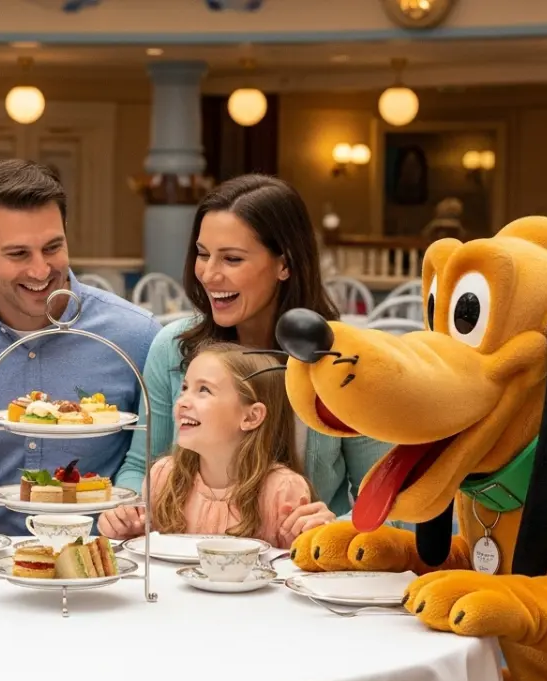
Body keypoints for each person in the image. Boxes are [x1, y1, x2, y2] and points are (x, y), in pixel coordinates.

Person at [114, 174, 390, 523]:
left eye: (232, 259)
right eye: (202, 254)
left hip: (305, 570)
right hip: (189, 567)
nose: (209, 275)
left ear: (285, 264)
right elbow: (141, 466)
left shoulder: (343, 360)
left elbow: (386, 496)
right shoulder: (173, 347)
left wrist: (333, 528)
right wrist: (129, 510)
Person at [0, 159, 162, 535]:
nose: (40, 271)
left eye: (52, 247)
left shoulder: (137, 335)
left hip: (103, 562)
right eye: (18, 254)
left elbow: (163, 458)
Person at [100, 344, 329, 548]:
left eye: (204, 390)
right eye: (185, 388)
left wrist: (313, 538)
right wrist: (127, 532)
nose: (182, 401)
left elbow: (294, 565)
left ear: (251, 417)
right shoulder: (163, 476)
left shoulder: (283, 490)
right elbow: (151, 556)